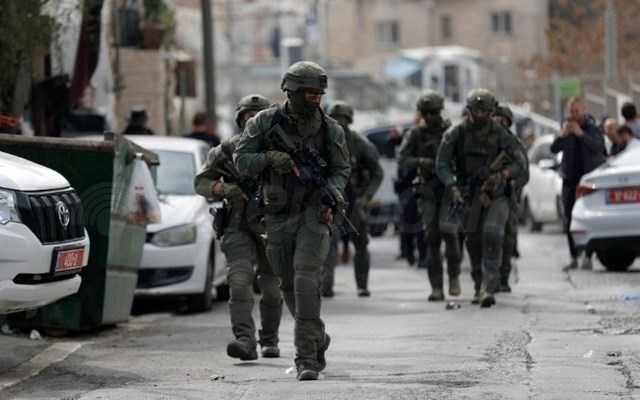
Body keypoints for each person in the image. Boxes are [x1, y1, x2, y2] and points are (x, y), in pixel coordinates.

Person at [234, 61, 350, 381]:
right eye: (310, 93)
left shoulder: (330, 129)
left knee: (305, 280)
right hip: (277, 214)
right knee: (287, 284)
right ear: (292, 91)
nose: (316, 99)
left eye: (319, 94)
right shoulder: (263, 122)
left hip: (314, 213)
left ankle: (306, 358)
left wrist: (333, 193)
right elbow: (241, 160)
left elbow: (341, 169)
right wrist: (270, 158)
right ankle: (316, 335)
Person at [194, 94, 282, 362]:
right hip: (237, 225)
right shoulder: (226, 150)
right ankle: (245, 340)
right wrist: (223, 188)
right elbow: (201, 182)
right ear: (240, 120)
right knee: (240, 283)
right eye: (247, 117)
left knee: (271, 289)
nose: (252, 121)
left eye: (258, 116)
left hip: (270, 226)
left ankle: (269, 340)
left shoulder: (280, 151)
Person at [436, 89, 527, 308]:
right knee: (473, 241)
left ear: (491, 111)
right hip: (469, 195)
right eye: (475, 111)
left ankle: (489, 286)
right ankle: (478, 284)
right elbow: (442, 164)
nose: (479, 116)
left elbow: (520, 163)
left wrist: (503, 175)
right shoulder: (456, 133)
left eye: (484, 112)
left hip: (496, 194)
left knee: (493, 233)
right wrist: (452, 185)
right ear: (468, 110)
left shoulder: (501, 133)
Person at [399, 91, 461, 302]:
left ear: (440, 111)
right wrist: (421, 162)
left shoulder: (451, 132)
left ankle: (454, 276)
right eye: (426, 113)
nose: (429, 117)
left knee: (449, 233)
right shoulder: (416, 134)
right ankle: (436, 287)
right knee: (431, 238)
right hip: (427, 191)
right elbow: (403, 158)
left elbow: (462, 159)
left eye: (433, 112)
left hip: (448, 190)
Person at [322, 101, 383, 298]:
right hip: (331, 199)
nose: (339, 123)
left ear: (349, 121)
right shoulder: (322, 141)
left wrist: (366, 197)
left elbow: (377, 172)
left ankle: (362, 285)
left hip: (354, 199)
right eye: (335, 119)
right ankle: (326, 285)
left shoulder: (360, 143)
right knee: (328, 242)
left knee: (361, 243)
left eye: (343, 120)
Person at [551, 97, 606, 271]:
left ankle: (588, 256)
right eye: (571, 111)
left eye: (576, 110)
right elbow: (553, 149)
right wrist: (563, 135)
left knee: (587, 219)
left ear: (584, 110)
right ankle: (574, 256)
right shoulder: (566, 128)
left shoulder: (592, 128)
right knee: (569, 220)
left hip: (586, 183)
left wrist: (580, 134)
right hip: (569, 181)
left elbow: (598, 147)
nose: (573, 114)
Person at [493, 105, 529, 293]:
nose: (497, 122)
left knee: (507, 239)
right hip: (487, 198)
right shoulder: (486, 142)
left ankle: (504, 278)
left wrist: (511, 185)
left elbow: (524, 174)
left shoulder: (514, 144)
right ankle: (489, 277)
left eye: (500, 119)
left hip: (507, 198)